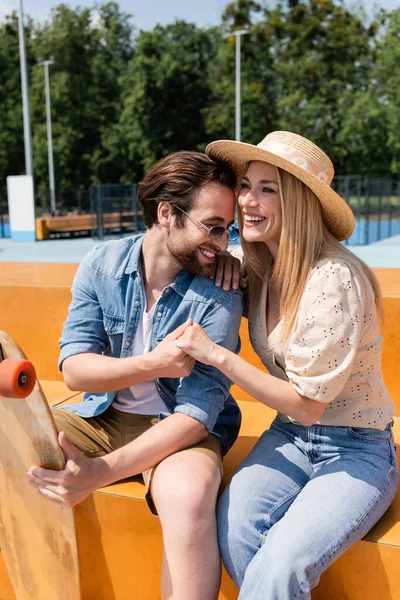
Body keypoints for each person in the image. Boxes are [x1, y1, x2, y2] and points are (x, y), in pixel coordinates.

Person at [174, 131, 398, 599]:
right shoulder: (260, 267)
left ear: (296, 200)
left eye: (267, 188)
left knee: (281, 566)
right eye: (246, 186)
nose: (247, 201)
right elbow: (184, 253)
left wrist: (216, 355)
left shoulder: (334, 278)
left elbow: (308, 404)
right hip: (290, 436)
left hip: (356, 449)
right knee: (234, 534)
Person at [26, 151, 243, 600]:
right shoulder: (102, 264)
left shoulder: (220, 291)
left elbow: (198, 413)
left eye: (227, 228)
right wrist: (154, 363)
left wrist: (97, 474)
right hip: (100, 417)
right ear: (167, 213)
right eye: (214, 226)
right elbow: (75, 370)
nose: (223, 243)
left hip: (177, 428)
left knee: (188, 494)